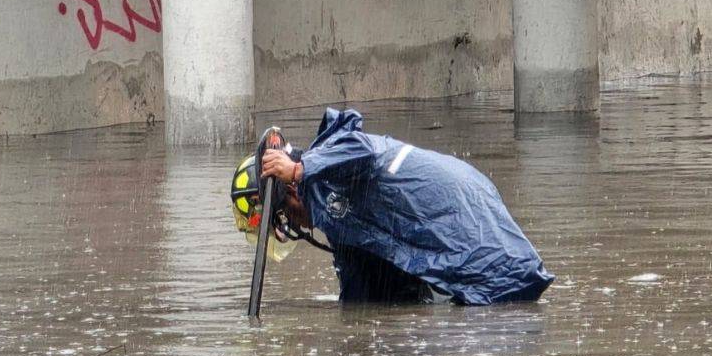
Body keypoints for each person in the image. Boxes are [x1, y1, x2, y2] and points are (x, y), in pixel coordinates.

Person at [231, 108, 554, 305]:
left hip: (458, 210)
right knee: (497, 301)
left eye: (285, 219)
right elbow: (365, 296)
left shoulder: (331, 158)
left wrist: (301, 170)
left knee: (507, 290)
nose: (297, 226)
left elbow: (361, 147)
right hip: (458, 203)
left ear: (289, 194)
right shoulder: (337, 215)